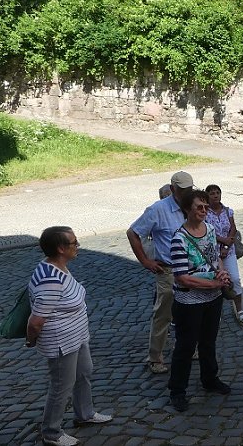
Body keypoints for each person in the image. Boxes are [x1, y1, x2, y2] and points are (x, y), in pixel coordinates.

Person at [27, 226, 112, 446]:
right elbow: (36, 321)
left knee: (84, 373)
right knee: (61, 386)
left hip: (77, 336)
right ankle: (51, 432)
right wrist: (31, 339)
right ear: (60, 248)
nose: (78, 246)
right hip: (61, 342)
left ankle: (85, 414)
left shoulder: (60, 267)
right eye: (74, 243)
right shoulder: (50, 280)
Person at [168, 189, 232, 412]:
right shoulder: (179, 239)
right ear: (187, 209)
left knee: (208, 342)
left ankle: (209, 379)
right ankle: (177, 391)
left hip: (212, 299)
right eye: (199, 207)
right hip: (189, 302)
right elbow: (182, 277)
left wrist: (221, 273)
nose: (204, 211)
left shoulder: (210, 230)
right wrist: (214, 284)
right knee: (185, 347)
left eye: (206, 207)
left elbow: (215, 258)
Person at [127, 171, 195, 375]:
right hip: (168, 270)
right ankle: (155, 357)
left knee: (192, 312)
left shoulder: (192, 204)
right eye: (183, 190)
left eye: (189, 189)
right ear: (173, 189)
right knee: (163, 314)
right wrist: (146, 261)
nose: (187, 193)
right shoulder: (158, 210)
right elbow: (133, 232)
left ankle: (190, 348)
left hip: (191, 268)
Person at [205, 184, 243, 323]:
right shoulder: (205, 213)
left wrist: (227, 244)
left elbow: (233, 228)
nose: (215, 195)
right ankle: (216, 312)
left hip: (228, 251)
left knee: (234, 278)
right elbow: (206, 231)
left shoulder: (227, 211)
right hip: (211, 252)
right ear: (207, 196)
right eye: (212, 193)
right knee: (215, 281)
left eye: (217, 192)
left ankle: (240, 309)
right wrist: (222, 240)